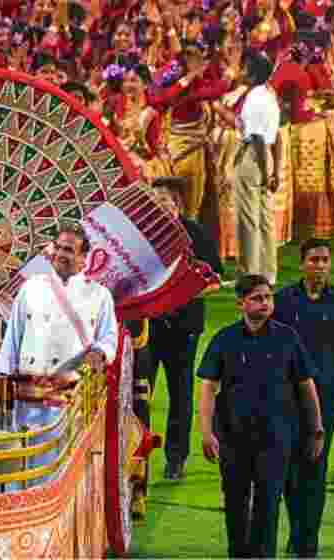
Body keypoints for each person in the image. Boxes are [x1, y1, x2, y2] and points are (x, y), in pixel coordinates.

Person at [197, 274, 325, 558]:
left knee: (269, 503)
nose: (264, 303)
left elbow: (306, 385)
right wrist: (206, 433)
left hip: (276, 436)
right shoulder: (225, 339)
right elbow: (208, 387)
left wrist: (317, 429)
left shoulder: (287, 337)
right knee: (235, 503)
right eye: (257, 298)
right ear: (240, 303)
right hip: (233, 437)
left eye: (268, 297)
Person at [0, 224, 118, 482]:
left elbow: (109, 338)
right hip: (28, 391)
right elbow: (12, 337)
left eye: (70, 250)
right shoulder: (30, 288)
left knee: (62, 464)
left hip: (68, 394)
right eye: (59, 248)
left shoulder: (99, 295)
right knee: (25, 460)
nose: (62, 254)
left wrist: (100, 353)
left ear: (84, 258)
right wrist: (2, 373)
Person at [274, 238, 334, 558]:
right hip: (287, 400)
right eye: (314, 260)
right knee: (289, 469)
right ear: (302, 264)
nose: (320, 266)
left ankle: (307, 540)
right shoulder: (283, 301)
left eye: (325, 260)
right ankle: (300, 531)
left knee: (314, 467)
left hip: (328, 400)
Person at [141, 177, 223, 480]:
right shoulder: (141, 237)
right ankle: (138, 457)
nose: (161, 207)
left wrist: (182, 294)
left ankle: (176, 459)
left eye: (167, 202)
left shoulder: (197, 235)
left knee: (181, 393)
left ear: (177, 205)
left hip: (184, 328)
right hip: (148, 329)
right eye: (155, 201)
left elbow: (214, 280)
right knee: (140, 394)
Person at [218, 51, 281, 284]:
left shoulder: (253, 98)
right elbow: (277, 136)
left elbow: (256, 138)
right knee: (265, 219)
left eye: (244, 67)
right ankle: (267, 273)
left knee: (248, 219)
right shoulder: (269, 95)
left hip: (254, 157)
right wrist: (276, 171)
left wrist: (266, 173)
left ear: (252, 73)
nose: (240, 71)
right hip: (267, 156)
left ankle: (248, 274)